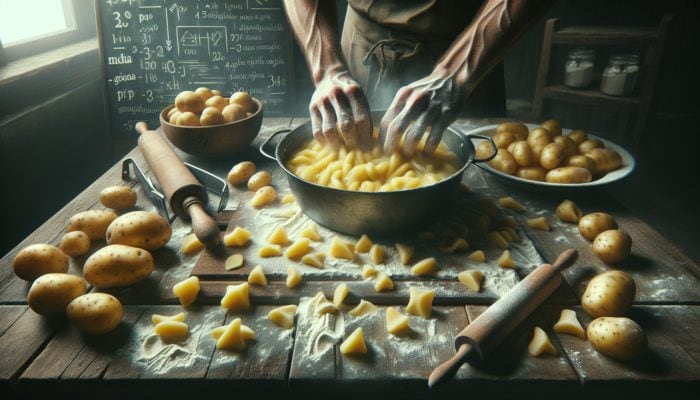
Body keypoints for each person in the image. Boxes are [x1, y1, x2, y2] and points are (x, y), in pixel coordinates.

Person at [282, 0, 551, 155]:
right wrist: (328, 69)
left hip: (476, 51)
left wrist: (456, 73)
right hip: (362, 44)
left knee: (475, 181)